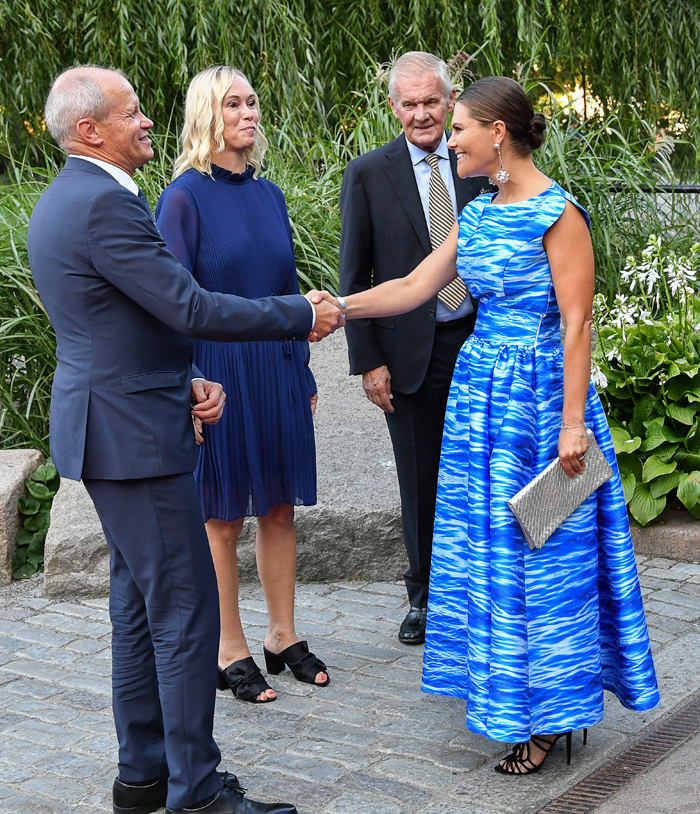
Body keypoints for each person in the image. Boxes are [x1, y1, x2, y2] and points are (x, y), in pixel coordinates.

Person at [27, 65, 342, 814]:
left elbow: (127, 323)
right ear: (89, 130)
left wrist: (185, 378)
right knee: (183, 613)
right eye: (131, 113)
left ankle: (143, 781)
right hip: (133, 437)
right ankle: (195, 794)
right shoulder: (104, 205)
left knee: (137, 610)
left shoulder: (72, 198)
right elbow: (188, 303)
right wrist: (296, 314)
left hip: (121, 420)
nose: (147, 122)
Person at [332, 76, 660, 774]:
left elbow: (577, 324)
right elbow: (413, 288)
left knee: (547, 559)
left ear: (497, 134)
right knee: (491, 553)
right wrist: (334, 309)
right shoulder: (476, 216)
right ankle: (511, 696)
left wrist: (574, 426)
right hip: (481, 402)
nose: (450, 139)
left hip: (543, 404)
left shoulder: (558, 213)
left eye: (460, 128)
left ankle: (552, 715)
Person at [155, 66, 328, 706]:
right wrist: (187, 385)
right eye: (234, 104)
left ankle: (282, 635)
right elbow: (171, 302)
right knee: (222, 517)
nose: (249, 112)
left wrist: (302, 370)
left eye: (253, 101)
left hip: (277, 368)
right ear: (208, 115)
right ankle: (229, 646)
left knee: (279, 505)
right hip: (217, 374)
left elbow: (282, 291)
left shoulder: (271, 195)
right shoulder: (183, 198)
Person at [339, 52, 493, 645]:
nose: (423, 114)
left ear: (450, 102)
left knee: (483, 473)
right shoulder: (369, 173)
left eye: (433, 101)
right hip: (408, 355)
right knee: (420, 478)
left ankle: (479, 591)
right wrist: (369, 361)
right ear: (393, 107)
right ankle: (423, 597)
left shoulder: (481, 165)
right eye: (411, 103)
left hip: (482, 342)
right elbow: (356, 274)